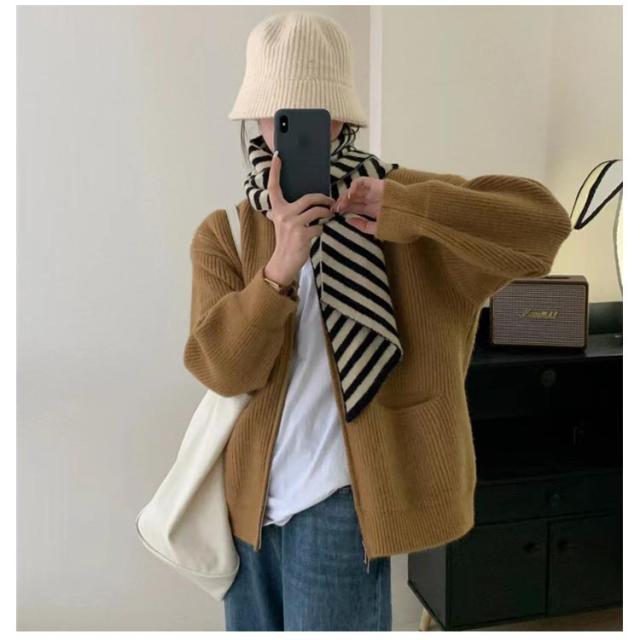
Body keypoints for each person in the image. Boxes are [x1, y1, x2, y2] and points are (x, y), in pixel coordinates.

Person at [183, 11, 573, 632]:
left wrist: (413, 209)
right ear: (254, 121)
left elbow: (543, 227)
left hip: (343, 502)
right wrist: (279, 267)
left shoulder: (399, 204)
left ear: (343, 117)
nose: (289, 133)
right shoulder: (226, 232)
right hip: (246, 509)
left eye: (312, 114)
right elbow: (221, 369)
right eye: (276, 115)